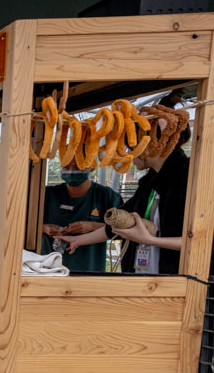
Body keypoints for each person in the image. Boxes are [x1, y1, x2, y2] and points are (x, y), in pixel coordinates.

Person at [60, 93, 192, 275]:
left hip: (175, 283)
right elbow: (119, 223)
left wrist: (151, 240)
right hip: (144, 279)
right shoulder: (149, 184)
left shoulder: (190, 177)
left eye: (129, 147)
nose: (127, 155)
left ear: (149, 144)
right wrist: (78, 241)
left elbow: (202, 241)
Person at [41, 161, 123, 273]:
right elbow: (20, 225)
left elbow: (125, 232)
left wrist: (93, 226)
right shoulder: (46, 195)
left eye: (77, 166)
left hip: (89, 270)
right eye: (66, 166)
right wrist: (44, 228)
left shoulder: (107, 197)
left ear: (92, 167)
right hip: (48, 271)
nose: (71, 171)